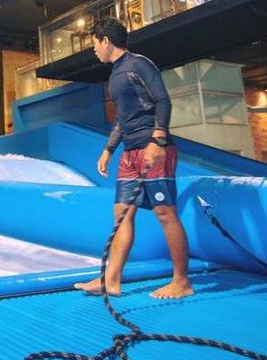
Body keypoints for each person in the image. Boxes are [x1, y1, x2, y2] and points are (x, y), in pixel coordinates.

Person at [74, 19, 193, 299]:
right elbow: (122, 119)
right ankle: (111, 280)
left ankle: (182, 281)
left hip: (154, 148)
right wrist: (108, 150)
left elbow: (163, 100)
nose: (94, 50)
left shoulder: (139, 64)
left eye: (94, 43)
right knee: (122, 214)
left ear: (106, 41)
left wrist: (157, 139)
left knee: (166, 214)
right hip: (130, 153)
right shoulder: (116, 75)